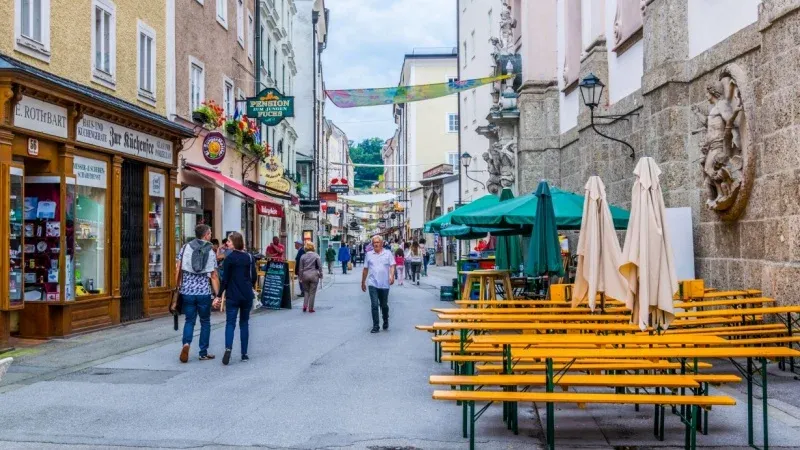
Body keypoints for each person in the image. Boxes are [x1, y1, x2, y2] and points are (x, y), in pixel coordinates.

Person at [176, 224, 220, 363]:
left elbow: (178, 267)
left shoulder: (185, 248)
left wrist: (177, 285)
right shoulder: (211, 251)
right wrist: (218, 294)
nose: (211, 235)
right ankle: (203, 352)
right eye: (210, 233)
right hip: (203, 293)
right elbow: (213, 275)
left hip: (187, 291)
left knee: (189, 320)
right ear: (206, 235)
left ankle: (186, 344)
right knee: (205, 321)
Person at [217, 232, 257, 365]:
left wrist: (218, 295)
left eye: (228, 241)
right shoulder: (249, 258)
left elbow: (225, 280)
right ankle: (244, 354)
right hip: (246, 295)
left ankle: (228, 348)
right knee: (244, 323)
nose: (226, 243)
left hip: (232, 295)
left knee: (230, 323)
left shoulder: (229, 258)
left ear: (234, 243)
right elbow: (254, 277)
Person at [361, 235, 395, 333]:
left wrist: (392, 276)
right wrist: (363, 282)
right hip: (373, 283)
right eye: (374, 242)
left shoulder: (388, 253)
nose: (376, 244)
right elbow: (365, 269)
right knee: (374, 305)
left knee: (384, 305)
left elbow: (392, 265)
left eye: (378, 242)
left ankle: (385, 319)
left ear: (382, 243)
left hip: (384, 284)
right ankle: (376, 326)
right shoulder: (369, 254)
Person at [298, 242, 324, 313]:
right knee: (312, 292)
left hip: (305, 275)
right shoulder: (316, 256)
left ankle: (304, 306)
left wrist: (300, 277)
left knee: (306, 291)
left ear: (306, 248)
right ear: (313, 247)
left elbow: (300, 268)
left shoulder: (303, 256)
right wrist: (321, 274)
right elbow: (320, 266)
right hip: (314, 275)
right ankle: (311, 308)